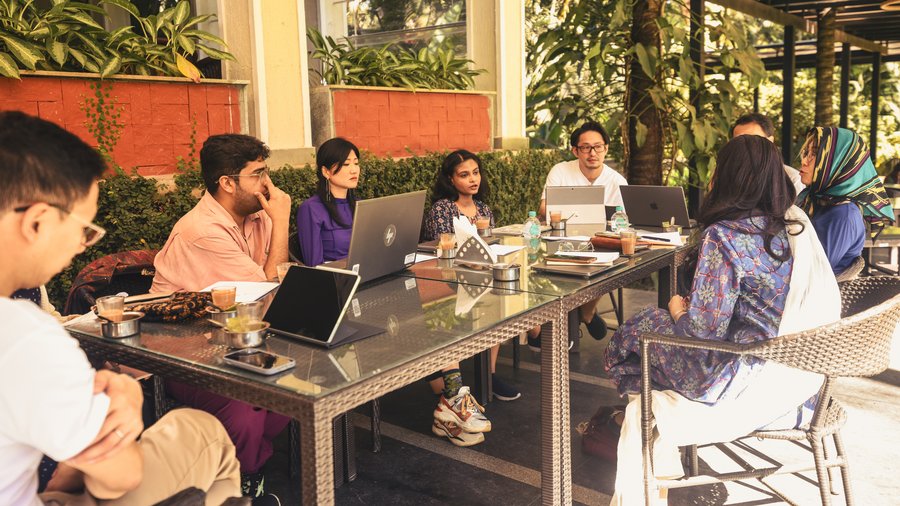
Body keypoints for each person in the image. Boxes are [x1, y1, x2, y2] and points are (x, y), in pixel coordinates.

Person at [0, 111, 242, 505]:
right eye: (83, 229)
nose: (83, 245)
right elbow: (120, 476)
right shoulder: (22, 335)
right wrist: (126, 397)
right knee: (202, 431)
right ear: (38, 223)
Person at [602, 135, 841, 504]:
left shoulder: (724, 236)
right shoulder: (794, 228)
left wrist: (678, 310)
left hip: (729, 380)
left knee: (636, 331)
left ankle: (658, 454)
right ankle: (661, 457)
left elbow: (702, 332)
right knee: (648, 332)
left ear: (729, 177)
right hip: (792, 371)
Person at [151, 133, 292, 502]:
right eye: (258, 173)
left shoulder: (258, 216)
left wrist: (274, 224)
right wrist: (283, 221)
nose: (268, 184)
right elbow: (266, 292)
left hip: (234, 342)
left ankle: (246, 474)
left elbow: (274, 284)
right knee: (244, 408)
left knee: (295, 388)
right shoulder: (202, 230)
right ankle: (245, 486)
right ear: (227, 183)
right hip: (181, 350)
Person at [423, 150, 521, 404]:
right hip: (448, 278)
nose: (472, 179)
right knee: (489, 297)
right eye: (464, 175)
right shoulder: (442, 209)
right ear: (450, 179)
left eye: (475, 173)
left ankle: (488, 374)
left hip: (480, 275)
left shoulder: (482, 208)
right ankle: (453, 381)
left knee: (499, 299)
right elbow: (444, 248)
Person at [536, 120, 621, 344]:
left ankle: (584, 312)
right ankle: (574, 317)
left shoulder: (616, 181)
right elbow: (544, 209)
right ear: (575, 150)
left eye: (598, 147)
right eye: (585, 147)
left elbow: (620, 222)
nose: (592, 153)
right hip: (561, 240)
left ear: (606, 149)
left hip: (599, 243)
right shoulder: (561, 171)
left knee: (607, 263)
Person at [796, 127, 895, 275]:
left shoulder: (843, 214)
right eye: (806, 153)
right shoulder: (813, 199)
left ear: (838, 163)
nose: (804, 161)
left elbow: (813, 272)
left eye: (815, 154)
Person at [295, 137, 359, 266]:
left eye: (356, 163)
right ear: (326, 171)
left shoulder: (360, 205)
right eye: (346, 164)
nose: (354, 170)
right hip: (336, 280)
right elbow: (314, 265)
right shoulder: (311, 209)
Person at [731, 112, 805, 195]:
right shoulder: (726, 175)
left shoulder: (791, 180)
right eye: (738, 142)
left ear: (771, 141)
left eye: (754, 140)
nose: (746, 147)